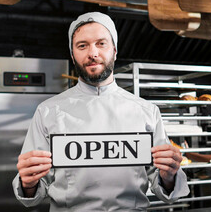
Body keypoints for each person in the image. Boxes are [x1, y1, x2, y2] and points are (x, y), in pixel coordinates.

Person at [12, 12, 190, 211]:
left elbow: (164, 188)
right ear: (72, 55)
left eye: (101, 43)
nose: (92, 53)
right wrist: (28, 184)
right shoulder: (47, 111)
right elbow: (34, 191)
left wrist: (169, 176)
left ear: (114, 50)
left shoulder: (147, 111)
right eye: (82, 45)